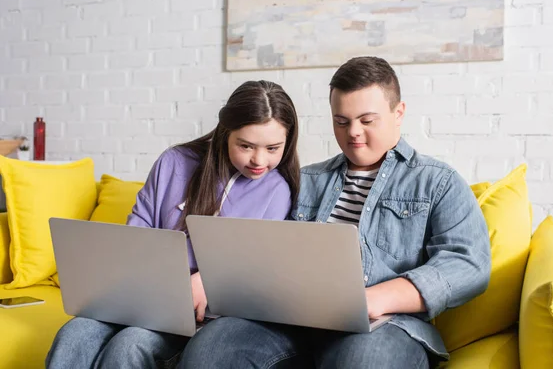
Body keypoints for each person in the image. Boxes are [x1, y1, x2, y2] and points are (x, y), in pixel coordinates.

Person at [178, 57, 491, 369]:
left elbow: (468, 263)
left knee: (364, 360)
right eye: (341, 121)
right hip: (293, 323)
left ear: (399, 114)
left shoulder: (437, 181)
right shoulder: (307, 179)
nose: (353, 132)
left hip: (385, 325)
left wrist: (375, 299)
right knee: (212, 347)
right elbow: (264, 251)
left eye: (367, 120)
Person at [45, 80, 300, 369]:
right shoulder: (175, 162)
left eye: (273, 148)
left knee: (130, 345)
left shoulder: (278, 190)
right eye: (246, 146)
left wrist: (209, 281)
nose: (259, 159)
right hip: (139, 295)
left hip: (202, 316)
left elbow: (258, 268)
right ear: (225, 133)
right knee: (73, 335)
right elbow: (136, 232)